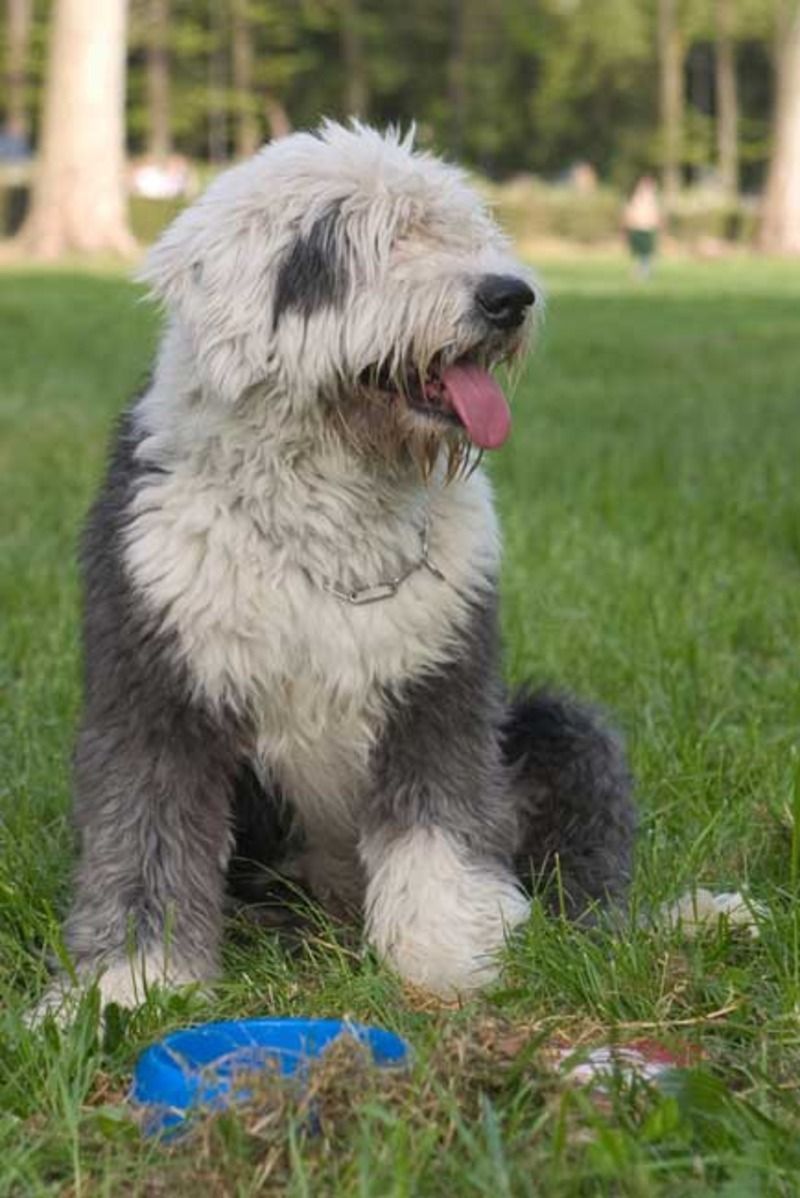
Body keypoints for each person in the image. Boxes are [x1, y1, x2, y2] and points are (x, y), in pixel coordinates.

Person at [623, 175, 662, 279]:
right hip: (638, 228)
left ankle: (644, 272)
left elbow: (655, 214)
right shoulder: (637, 198)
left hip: (647, 229)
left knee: (647, 254)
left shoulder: (651, 199)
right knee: (641, 253)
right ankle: (640, 272)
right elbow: (630, 213)